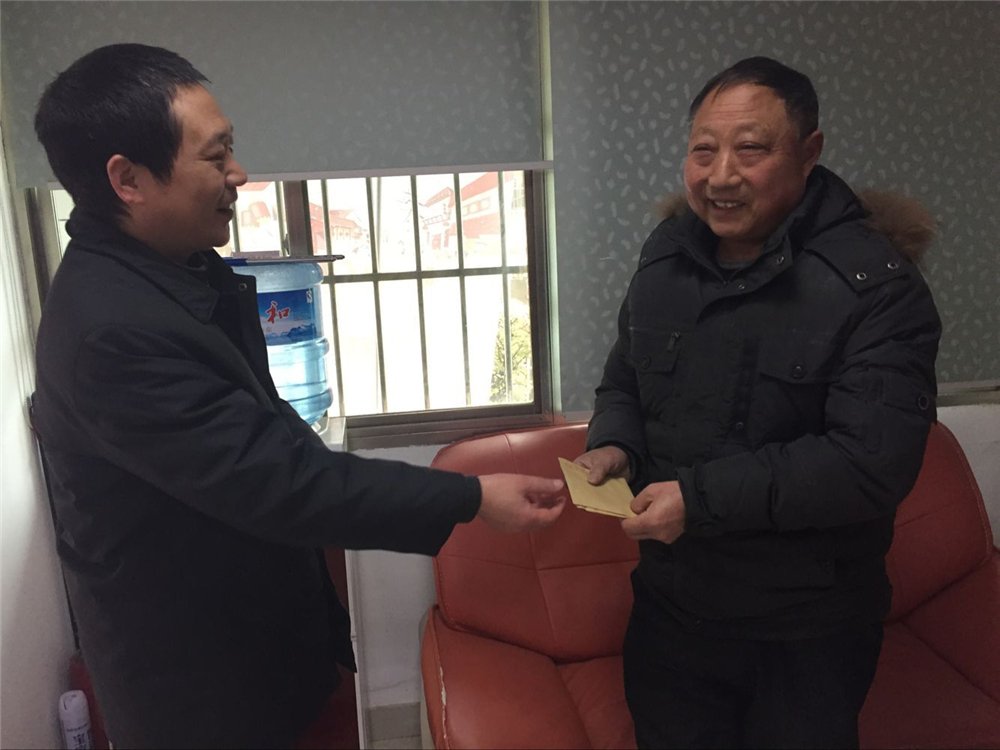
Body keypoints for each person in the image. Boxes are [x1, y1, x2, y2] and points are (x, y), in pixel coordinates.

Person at [31, 43, 564, 749]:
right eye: (216, 156)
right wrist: (471, 497)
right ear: (127, 179)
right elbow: (279, 482)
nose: (239, 174)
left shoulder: (176, 271)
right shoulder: (112, 332)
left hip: (261, 651)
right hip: (206, 698)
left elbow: (269, 430)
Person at [575, 56, 940, 749]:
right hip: (672, 613)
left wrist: (698, 500)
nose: (720, 176)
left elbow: (869, 463)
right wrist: (614, 442)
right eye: (703, 150)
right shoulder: (667, 256)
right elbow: (624, 380)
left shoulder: (876, 287)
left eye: (750, 149)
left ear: (808, 152)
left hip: (806, 631)